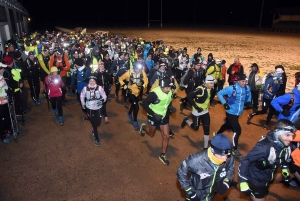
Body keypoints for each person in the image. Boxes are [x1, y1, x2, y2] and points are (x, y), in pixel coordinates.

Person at [238, 119, 295, 201]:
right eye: (287, 135)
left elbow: (284, 159)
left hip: (268, 176)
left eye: (292, 135)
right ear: (278, 133)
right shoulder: (263, 148)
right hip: (256, 180)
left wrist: (284, 169)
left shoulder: (285, 145)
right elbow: (245, 160)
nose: (291, 139)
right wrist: (242, 181)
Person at [177, 134, 235, 201]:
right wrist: (190, 191)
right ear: (213, 151)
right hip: (195, 196)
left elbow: (230, 169)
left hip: (211, 196)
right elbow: (181, 173)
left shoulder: (229, 158)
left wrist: (227, 181)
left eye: (227, 155)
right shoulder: (196, 160)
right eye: (222, 155)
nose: (225, 159)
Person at [140, 76, 175, 165]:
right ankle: (144, 128)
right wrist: (154, 114)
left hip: (164, 116)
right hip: (153, 116)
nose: (168, 89)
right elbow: (144, 104)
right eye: (167, 88)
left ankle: (162, 155)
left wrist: (170, 107)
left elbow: (168, 100)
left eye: (169, 88)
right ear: (162, 87)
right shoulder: (154, 94)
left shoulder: (169, 91)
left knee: (166, 136)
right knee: (151, 134)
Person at [215, 73, 252, 158]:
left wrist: (249, 101)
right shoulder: (231, 88)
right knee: (237, 130)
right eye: (242, 81)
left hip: (238, 113)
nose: (244, 83)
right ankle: (234, 150)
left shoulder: (247, 88)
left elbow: (249, 94)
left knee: (228, 124)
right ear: (238, 81)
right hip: (231, 112)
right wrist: (224, 103)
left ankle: (217, 133)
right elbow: (220, 93)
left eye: (245, 81)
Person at [180, 75, 215, 149]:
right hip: (197, 112)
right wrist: (196, 107)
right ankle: (186, 120)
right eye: (211, 83)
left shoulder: (210, 89)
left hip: (205, 111)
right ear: (206, 83)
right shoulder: (200, 89)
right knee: (195, 127)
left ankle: (205, 148)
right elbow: (189, 96)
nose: (213, 85)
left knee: (207, 128)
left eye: (213, 83)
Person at [119, 61, 148, 130]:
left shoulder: (142, 72)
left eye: (139, 69)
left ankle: (129, 113)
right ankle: (135, 121)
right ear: (134, 68)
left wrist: (143, 86)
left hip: (138, 91)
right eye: (136, 69)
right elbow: (120, 79)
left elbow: (146, 80)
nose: (138, 70)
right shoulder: (129, 73)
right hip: (130, 91)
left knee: (133, 103)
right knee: (136, 107)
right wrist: (125, 86)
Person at [80, 76, 107, 146]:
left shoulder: (100, 88)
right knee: (94, 124)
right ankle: (96, 138)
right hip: (89, 107)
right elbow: (82, 96)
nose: (92, 82)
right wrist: (83, 104)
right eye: (90, 81)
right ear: (89, 82)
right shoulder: (85, 89)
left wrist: (102, 100)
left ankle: (94, 126)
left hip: (98, 107)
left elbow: (104, 96)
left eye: (93, 81)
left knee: (98, 122)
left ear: (95, 82)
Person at [0, 62, 11, 143]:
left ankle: (8, 130)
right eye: (2, 68)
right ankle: (2, 135)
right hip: (0, 103)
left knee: (7, 116)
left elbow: (5, 87)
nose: (4, 69)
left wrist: (8, 91)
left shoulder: (1, 77)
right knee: (1, 119)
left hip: (5, 101)